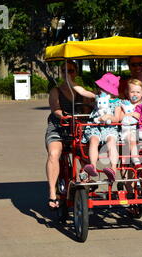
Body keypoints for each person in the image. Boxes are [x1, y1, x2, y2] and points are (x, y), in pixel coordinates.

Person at [46, 61, 96, 210]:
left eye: (71, 71)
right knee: (54, 154)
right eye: (64, 71)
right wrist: (66, 116)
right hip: (59, 127)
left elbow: (91, 106)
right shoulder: (56, 90)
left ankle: (85, 180)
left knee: (87, 152)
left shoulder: (82, 91)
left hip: (79, 128)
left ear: (76, 72)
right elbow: (55, 109)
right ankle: (52, 193)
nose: (67, 74)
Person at [82, 72, 123, 183]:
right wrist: (73, 85)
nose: (101, 90)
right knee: (93, 141)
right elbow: (85, 93)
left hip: (110, 127)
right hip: (95, 126)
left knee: (111, 142)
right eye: (100, 88)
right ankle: (93, 166)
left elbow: (117, 118)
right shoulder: (98, 99)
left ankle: (113, 168)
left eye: (103, 88)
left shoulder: (117, 103)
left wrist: (109, 116)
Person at [120, 79, 142, 178]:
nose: (135, 94)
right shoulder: (125, 105)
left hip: (141, 129)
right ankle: (136, 162)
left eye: (138, 92)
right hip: (129, 130)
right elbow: (120, 117)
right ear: (128, 93)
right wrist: (130, 114)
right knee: (131, 138)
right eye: (132, 92)